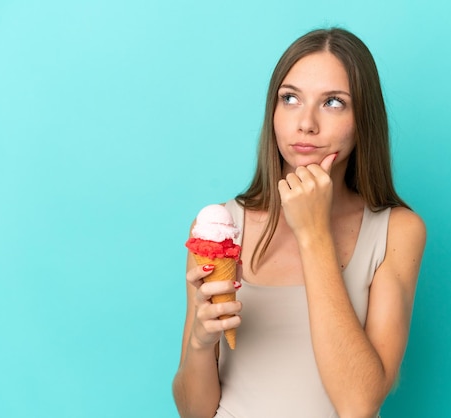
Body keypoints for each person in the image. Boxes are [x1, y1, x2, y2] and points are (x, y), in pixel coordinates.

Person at [172, 27, 426, 418]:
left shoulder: (397, 231)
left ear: (364, 119)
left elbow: (359, 404)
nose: (305, 123)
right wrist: (200, 344)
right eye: (290, 99)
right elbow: (193, 412)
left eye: (334, 103)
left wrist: (314, 233)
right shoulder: (222, 227)